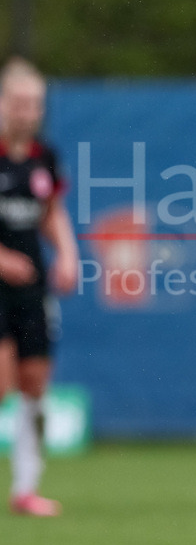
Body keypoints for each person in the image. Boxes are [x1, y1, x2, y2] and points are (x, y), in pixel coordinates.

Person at [0, 58, 79, 516]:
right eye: (19, 102)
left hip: (30, 286)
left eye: (35, 104)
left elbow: (51, 212)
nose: (27, 111)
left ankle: (25, 488)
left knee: (35, 381)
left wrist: (66, 254)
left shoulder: (43, 157)